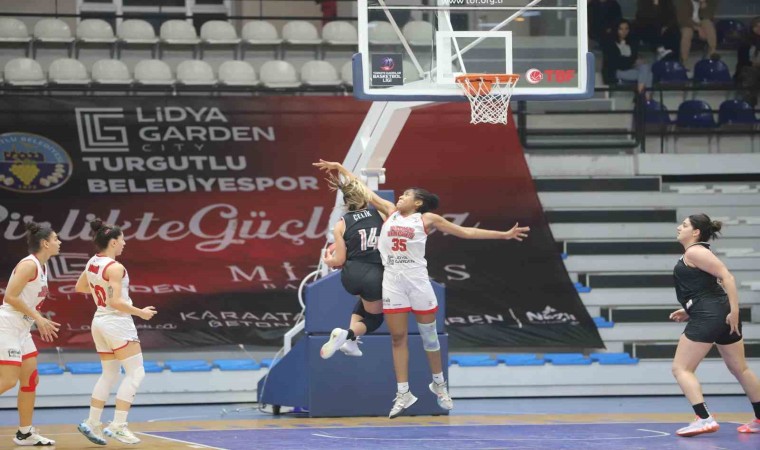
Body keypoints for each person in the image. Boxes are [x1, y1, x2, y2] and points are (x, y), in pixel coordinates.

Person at [314, 160, 530, 419]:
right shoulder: (389, 212)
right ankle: (403, 393)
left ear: (417, 202)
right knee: (397, 338)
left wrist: (503, 235)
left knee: (430, 337)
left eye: (406, 194)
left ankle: (439, 384)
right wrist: (340, 168)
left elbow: (466, 232)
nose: (400, 196)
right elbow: (361, 188)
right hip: (392, 281)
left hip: (417, 281)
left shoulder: (426, 219)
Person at [670, 213, 760, 436]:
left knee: (681, 368)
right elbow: (706, 287)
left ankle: (703, 418)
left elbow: (727, 277)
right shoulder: (697, 253)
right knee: (740, 368)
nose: (679, 227)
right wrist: (689, 310)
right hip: (717, 312)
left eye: (684, 225)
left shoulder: (695, 251)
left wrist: (735, 311)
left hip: (711, 314)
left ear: (696, 232)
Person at [75, 218, 157, 445]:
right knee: (136, 373)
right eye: (122, 240)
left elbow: (80, 287)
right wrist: (140, 312)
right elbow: (116, 301)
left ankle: (92, 422)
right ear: (112, 242)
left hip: (99, 321)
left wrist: (99, 290)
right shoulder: (115, 267)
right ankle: (118, 425)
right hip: (117, 323)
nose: (124, 243)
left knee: (109, 374)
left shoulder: (92, 262)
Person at [0, 221, 61, 446]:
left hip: (22, 329)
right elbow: (10, 297)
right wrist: (39, 318)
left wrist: (38, 320)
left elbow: (29, 301)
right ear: (45, 243)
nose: (59, 242)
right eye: (55, 239)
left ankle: (24, 433)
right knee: (7, 381)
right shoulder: (29, 265)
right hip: (7, 325)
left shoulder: (43, 266)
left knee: (30, 379)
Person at [319, 172, 386, 359]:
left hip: (350, 276)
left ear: (345, 202)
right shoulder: (380, 213)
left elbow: (339, 260)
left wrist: (328, 261)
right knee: (375, 319)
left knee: (364, 302)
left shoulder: (341, 224)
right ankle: (346, 334)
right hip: (374, 273)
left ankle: (350, 343)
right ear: (366, 197)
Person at [601, 19, 653, 96]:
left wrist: (633, 61)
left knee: (646, 69)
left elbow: (632, 59)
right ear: (616, 29)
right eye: (621, 29)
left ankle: (642, 95)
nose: (624, 31)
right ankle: (644, 97)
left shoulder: (631, 43)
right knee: (648, 74)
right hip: (616, 71)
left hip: (630, 69)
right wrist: (632, 61)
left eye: (626, 29)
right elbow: (616, 62)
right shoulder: (610, 43)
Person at [673, 0, 718, 65]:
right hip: (687, 24)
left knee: (708, 23)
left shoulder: (706, 2)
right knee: (687, 33)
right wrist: (698, 29)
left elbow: (708, 16)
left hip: (700, 23)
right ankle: (684, 60)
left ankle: (712, 52)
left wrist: (703, 5)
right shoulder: (683, 2)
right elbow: (683, 19)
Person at [735, 17, 760, 106]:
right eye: (756, 26)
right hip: (748, 68)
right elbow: (744, 61)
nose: (759, 29)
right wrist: (755, 64)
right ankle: (749, 103)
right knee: (750, 72)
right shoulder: (745, 43)